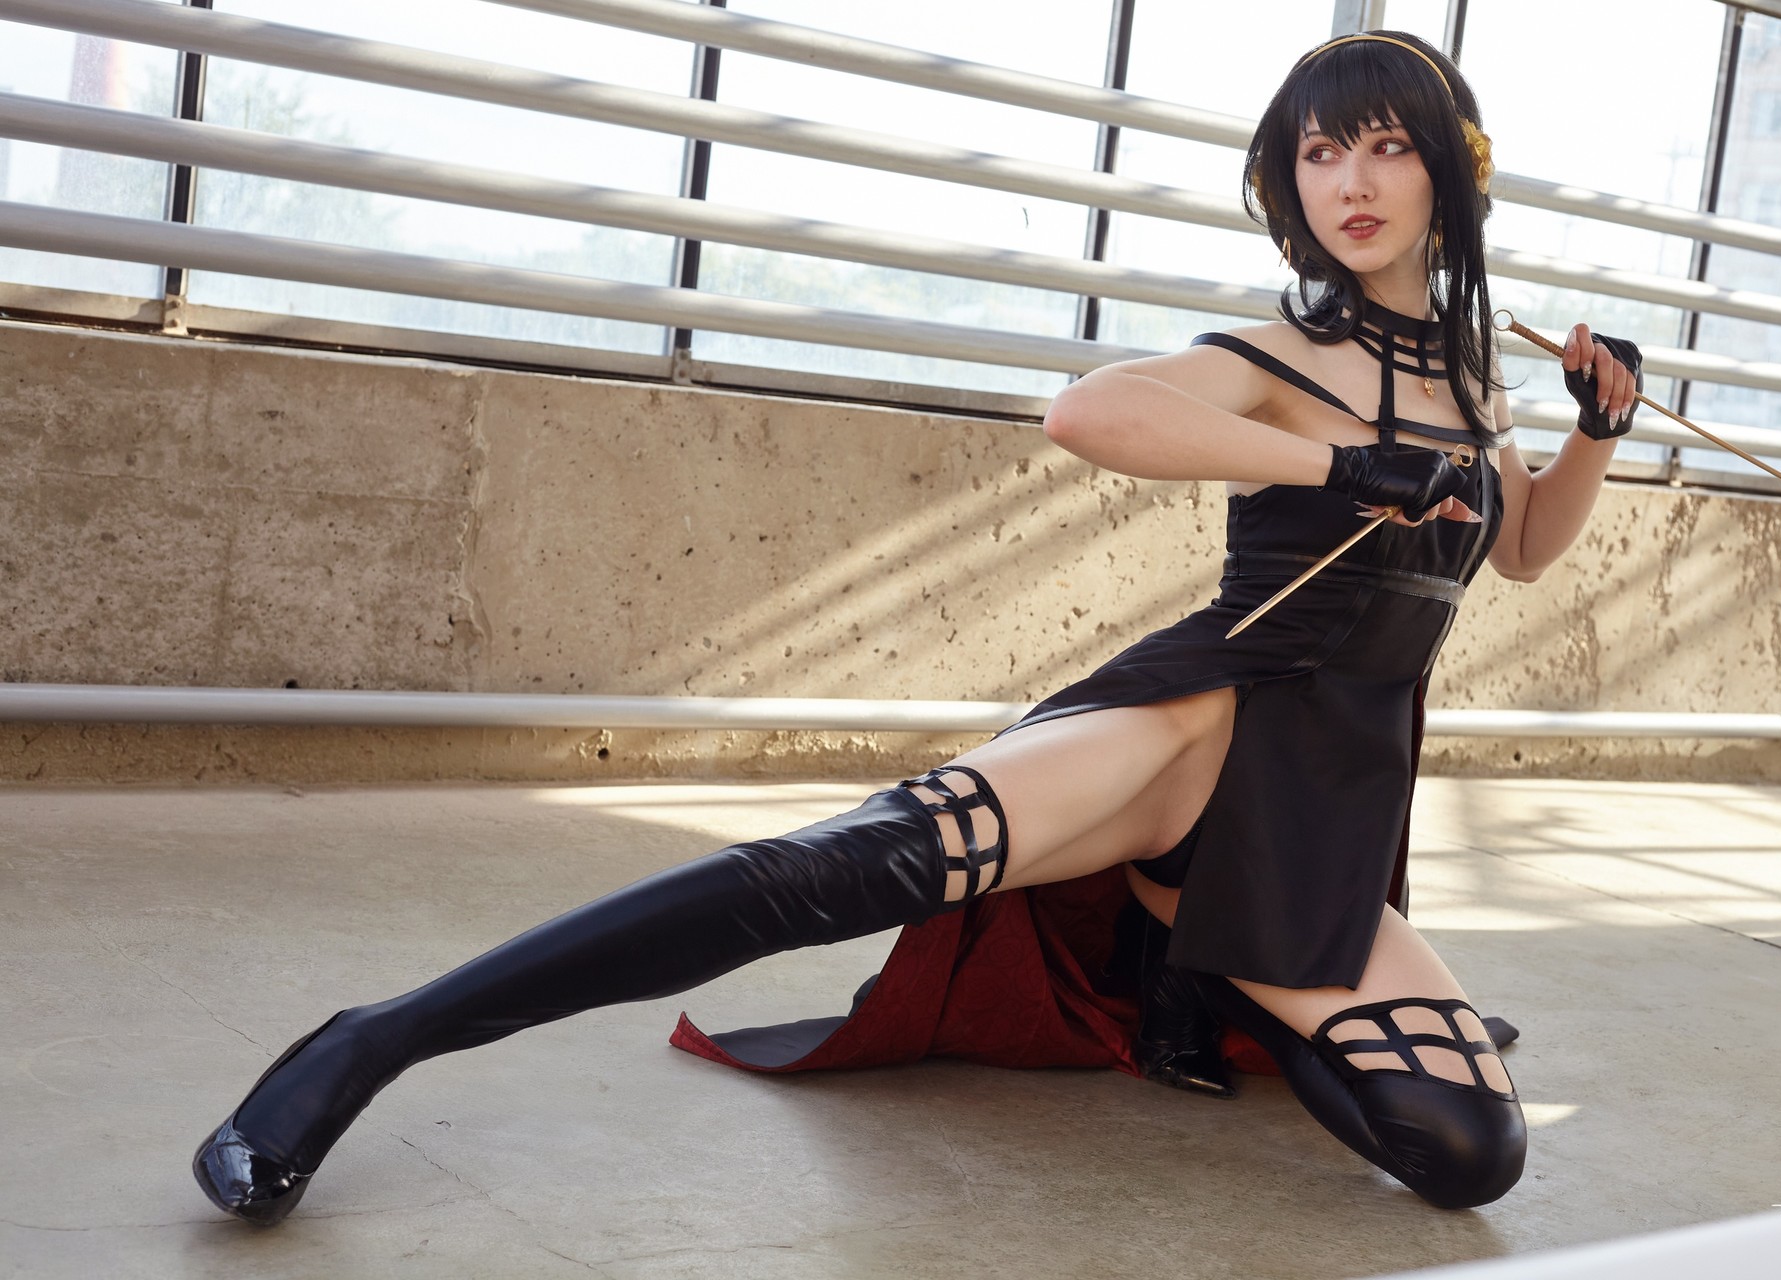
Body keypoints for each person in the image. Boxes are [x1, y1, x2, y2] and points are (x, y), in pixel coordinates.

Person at [191, 29, 1644, 1225]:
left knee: (1470, 1153)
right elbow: (1091, 412)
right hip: (1190, 734)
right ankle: (371, 1041)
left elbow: (1518, 550)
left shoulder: (1476, 388)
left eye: (1386, 146)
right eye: (1321, 153)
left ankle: (1195, 981)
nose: (1353, 182)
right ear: (1288, 181)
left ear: (1451, 171)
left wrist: (1592, 431)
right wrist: (1340, 465)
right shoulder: (1280, 356)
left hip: (1321, 799)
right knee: (828, 873)